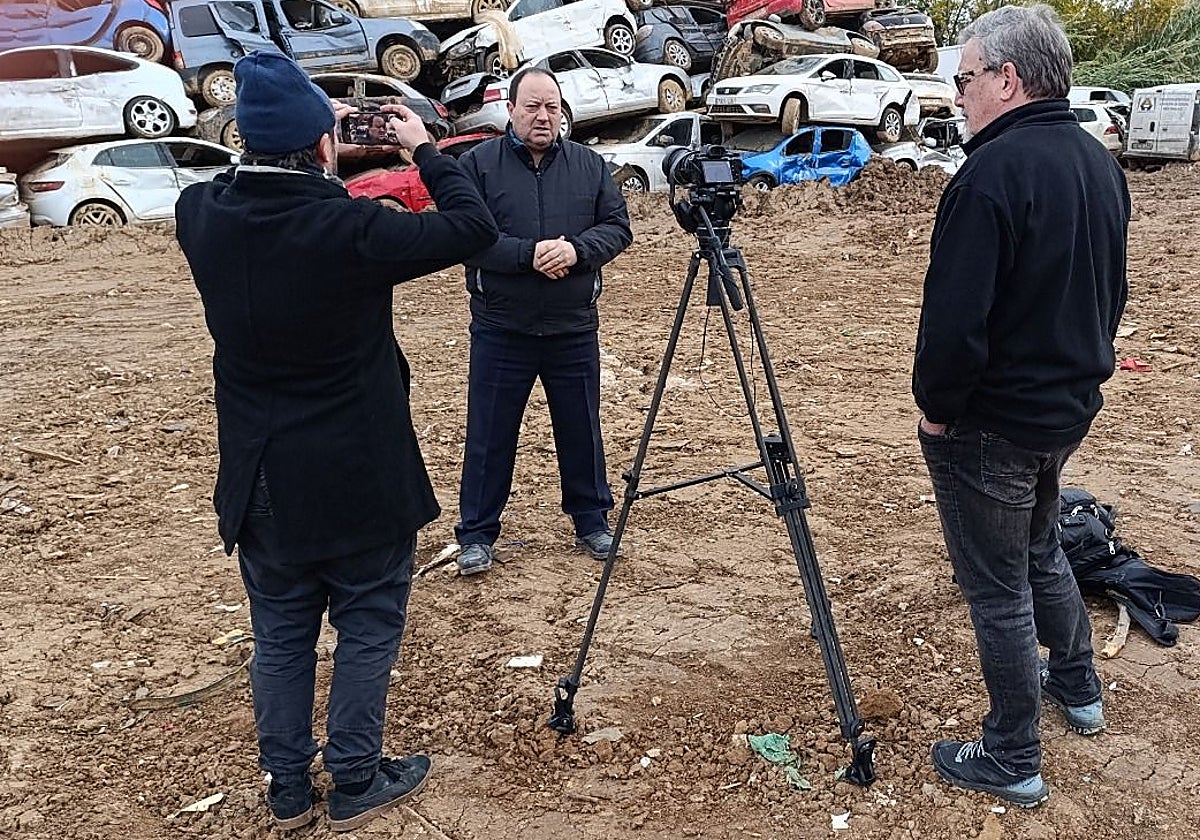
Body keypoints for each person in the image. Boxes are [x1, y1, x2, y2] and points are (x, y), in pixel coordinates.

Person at [174, 52, 497, 831]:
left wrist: (308, 148)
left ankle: (287, 789)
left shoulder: (201, 215)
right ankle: (353, 778)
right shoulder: (351, 226)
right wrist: (418, 146)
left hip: (260, 481)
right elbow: (474, 228)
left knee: (281, 637)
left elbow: (243, 189)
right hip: (355, 475)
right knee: (368, 622)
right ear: (324, 144)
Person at [912, 5, 1129, 808]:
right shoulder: (1096, 160)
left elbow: (953, 326)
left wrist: (937, 410)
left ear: (1008, 79)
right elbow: (1112, 296)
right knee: (1039, 549)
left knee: (998, 585)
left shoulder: (990, 175)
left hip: (992, 426)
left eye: (965, 78)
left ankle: (1012, 754)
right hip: (1064, 411)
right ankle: (1077, 683)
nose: (958, 95)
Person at [452, 67, 633, 576]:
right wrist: (525, 255)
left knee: (581, 426)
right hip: (501, 326)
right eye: (532, 106)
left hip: (572, 326)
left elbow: (618, 228)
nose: (543, 116)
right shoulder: (477, 166)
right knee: (490, 432)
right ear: (510, 110)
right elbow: (464, 235)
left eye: (552, 107)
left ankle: (592, 519)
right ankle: (477, 533)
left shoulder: (590, 166)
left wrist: (577, 250)